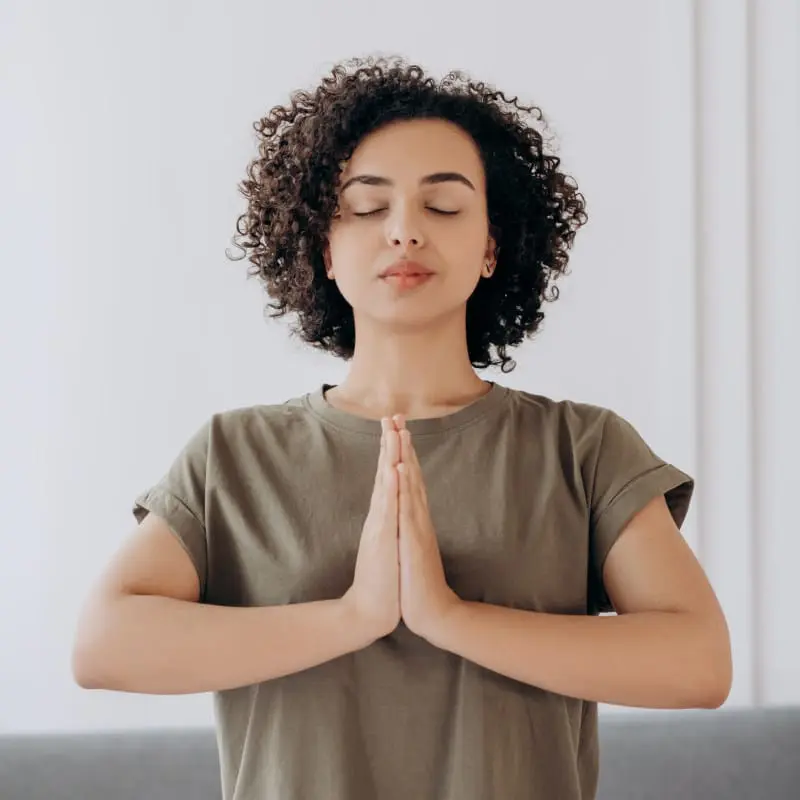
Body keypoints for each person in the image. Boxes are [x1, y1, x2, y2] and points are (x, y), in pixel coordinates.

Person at [71, 55, 732, 800]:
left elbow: (699, 663)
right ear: (324, 245)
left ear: (491, 247)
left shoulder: (582, 449)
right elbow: (102, 647)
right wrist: (355, 616)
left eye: (443, 207)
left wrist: (448, 617)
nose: (405, 232)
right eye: (367, 205)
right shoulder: (234, 456)